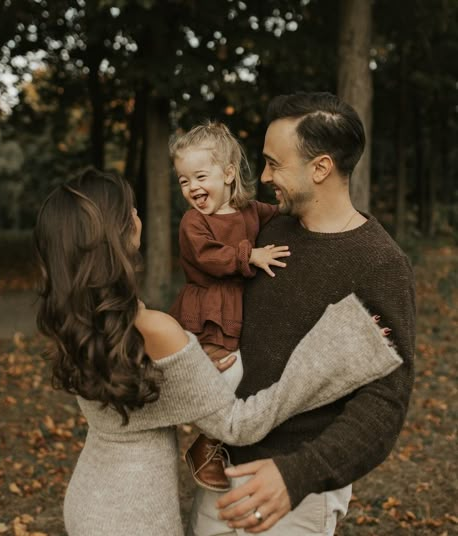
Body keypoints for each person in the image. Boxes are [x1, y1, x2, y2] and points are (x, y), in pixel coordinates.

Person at [34, 168, 402, 536]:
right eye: (129, 209)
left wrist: (190, 371)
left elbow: (135, 403)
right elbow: (236, 425)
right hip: (136, 514)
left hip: (87, 500)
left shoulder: (78, 319)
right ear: (115, 234)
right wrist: (338, 353)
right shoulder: (154, 328)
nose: (136, 214)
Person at [188, 91, 416, 536]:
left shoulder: (379, 263)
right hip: (222, 470)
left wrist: (299, 474)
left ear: (321, 168)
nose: (266, 175)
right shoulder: (270, 230)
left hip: (294, 494)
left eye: (276, 163)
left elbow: (384, 402)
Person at [169, 122, 290, 492]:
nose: (192, 188)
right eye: (183, 181)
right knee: (228, 373)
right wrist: (249, 255)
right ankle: (207, 444)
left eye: (200, 176)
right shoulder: (194, 222)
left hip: (237, 309)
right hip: (208, 310)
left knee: (242, 375)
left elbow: (282, 214)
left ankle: (216, 442)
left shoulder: (250, 211)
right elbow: (209, 258)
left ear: (228, 173)